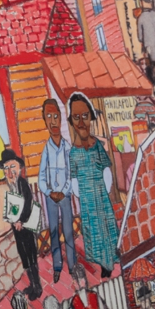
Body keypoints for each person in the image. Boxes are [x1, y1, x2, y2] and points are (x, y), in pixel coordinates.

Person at [67, 93, 119, 280]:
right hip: (87, 200)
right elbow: (73, 178)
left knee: (106, 227)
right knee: (94, 231)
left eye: (85, 116)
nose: (81, 122)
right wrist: (80, 193)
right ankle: (101, 261)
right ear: (71, 121)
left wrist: (104, 187)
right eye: (76, 117)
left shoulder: (97, 145)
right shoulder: (73, 153)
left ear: (90, 118)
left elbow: (106, 168)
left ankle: (110, 259)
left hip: (100, 194)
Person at [37, 99, 76, 284]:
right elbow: (41, 178)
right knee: (53, 232)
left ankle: (73, 264)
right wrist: (49, 192)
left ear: (60, 118)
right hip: (51, 198)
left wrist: (65, 191)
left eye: (55, 116)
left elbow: (72, 173)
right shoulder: (46, 149)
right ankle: (58, 266)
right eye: (48, 117)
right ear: (44, 121)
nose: (53, 121)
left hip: (65, 196)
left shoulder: (67, 147)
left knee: (68, 230)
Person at [0, 148, 41, 299]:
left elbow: (28, 202)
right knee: (23, 256)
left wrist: (21, 220)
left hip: (26, 226)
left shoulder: (23, 183)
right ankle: (32, 284)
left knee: (31, 254)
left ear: (18, 167)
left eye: (12, 167)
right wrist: (11, 220)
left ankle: (38, 287)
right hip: (16, 228)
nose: (10, 172)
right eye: (6, 168)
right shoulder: (9, 186)